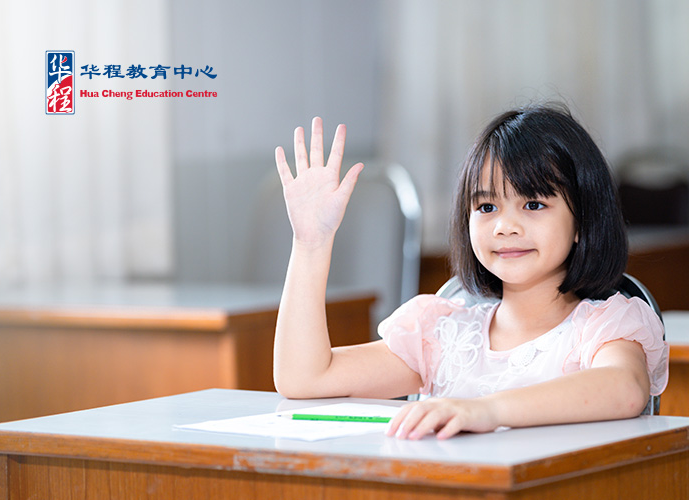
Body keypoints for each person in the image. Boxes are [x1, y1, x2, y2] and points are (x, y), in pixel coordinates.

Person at [273, 103, 668, 441]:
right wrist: (311, 243)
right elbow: (305, 379)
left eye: (533, 204)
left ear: (582, 219)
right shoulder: (443, 334)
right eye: (486, 207)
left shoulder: (606, 326)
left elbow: (625, 389)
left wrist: (485, 411)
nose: (504, 226)